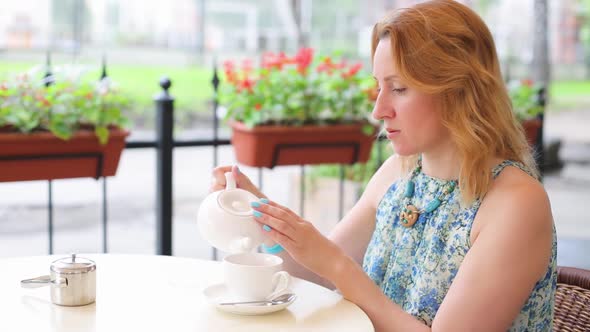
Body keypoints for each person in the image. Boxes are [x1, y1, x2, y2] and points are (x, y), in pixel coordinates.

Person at [210, 1, 556, 331]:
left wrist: (339, 268)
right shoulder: (399, 173)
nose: (379, 109)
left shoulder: (515, 204)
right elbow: (312, 274)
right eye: (378, 87)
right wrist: (264, 218)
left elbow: (335, 267)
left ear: (460, 90)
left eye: (399, 88)